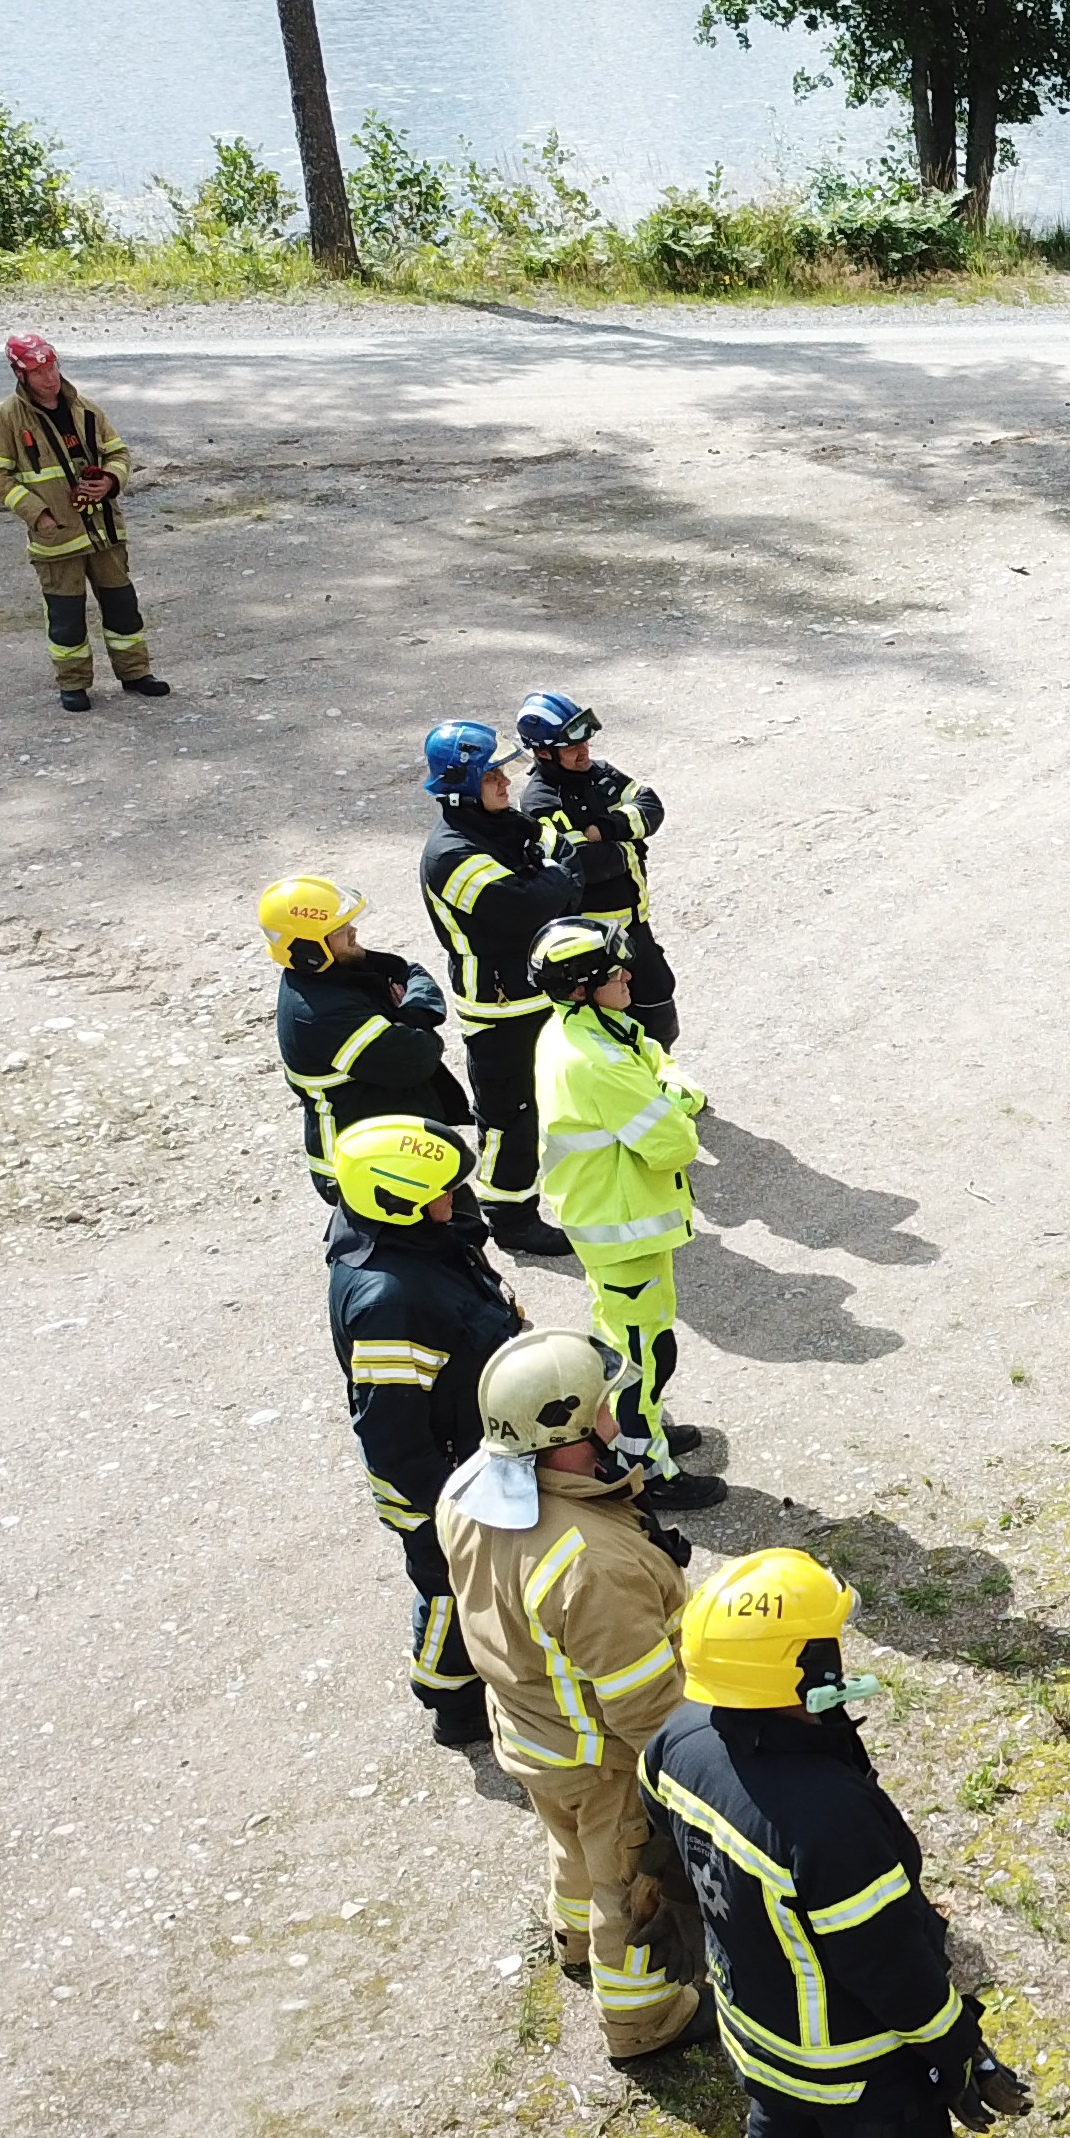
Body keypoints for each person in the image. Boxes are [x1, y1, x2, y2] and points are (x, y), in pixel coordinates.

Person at [646, 1548, 1039, 2138]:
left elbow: (664, 1854)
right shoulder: (827, 1819)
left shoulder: (677, 1740)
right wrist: (954, 2048)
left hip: (755, 2030)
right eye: (830, 1645)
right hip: (855, 2064)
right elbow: (891, 1967)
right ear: (804, 1669)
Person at [437, 1329, 708, 2061]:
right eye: (605, 1409)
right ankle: (642, 2022)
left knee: (572, 1849)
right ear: (568, 1431)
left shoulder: (467, 1491)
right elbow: (646, 1708)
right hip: (603, 1760)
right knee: (627, 1883)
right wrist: (690, 1800)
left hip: (529, 1734)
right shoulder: (590, 1565)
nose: (618, 1421)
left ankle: (573, 1941)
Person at [323, 1115, 527, 1749]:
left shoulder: (400, 1233)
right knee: (447, 1588)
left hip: (464, 1450)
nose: (455, 1200)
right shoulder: (390, 1303)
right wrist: (443, 1506)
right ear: (398, 1200)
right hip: (435, 1485)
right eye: (443, 1192)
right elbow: (391, 1430)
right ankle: (451, 1701)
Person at [532, 912, 723, 1511]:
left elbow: (655, 1059)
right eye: (616, 971)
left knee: (631, 1339)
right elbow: (674, 1142)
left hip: (619, 1221)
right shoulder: (597, 1060)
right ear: (584, 986)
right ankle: (646, 1467)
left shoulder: (594, 1028)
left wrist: (671, 1093)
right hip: (621, 1226)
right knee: (642, 1356)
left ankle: (644, 1430)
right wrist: (677, 1099)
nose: (630, 977)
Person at [418, 720, 585, 1259]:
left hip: (534, 990)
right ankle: (509, 1218)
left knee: (550, 1101)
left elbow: (564, 855)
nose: (506, 783)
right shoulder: (452, 854)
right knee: (510, 1115)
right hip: (499, 1006)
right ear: (462, 784)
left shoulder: (499, 826)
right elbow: (527, 906)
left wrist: (552, 875)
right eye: (492, 775)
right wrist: (555, 878)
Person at [0, 331, 168, 714]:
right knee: (66, 618)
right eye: (38, 371)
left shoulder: (87, 410)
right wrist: (38, 514)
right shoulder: (5, 420)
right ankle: (74, 684)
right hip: (57, 538)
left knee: (123, 608)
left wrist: (110, 481)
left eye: (52, 367)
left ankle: (135, 674)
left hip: (105, 533)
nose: (49, 377)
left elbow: (119, 453)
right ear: (20, 374)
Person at [262, 873, 475, 1211]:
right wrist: (411, 1018)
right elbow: (418, 1058)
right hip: (367, 1169)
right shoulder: (321, 1013)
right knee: (428, 1249)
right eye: (340, 929)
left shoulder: (337, 969)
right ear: (309, 949)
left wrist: (407, 1018)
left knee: (459, 1230)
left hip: (397, 1144)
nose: (353, 933)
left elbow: (410, 971)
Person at [515, 694, 680, 1047]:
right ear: (544, 752)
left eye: (585, 740)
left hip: (635, 924)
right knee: (613, 1025)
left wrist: (605, 829)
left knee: (658, 1003)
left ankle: (663, 1078)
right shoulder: (541, 801)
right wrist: (629, 844)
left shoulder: (601, 773)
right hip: (593, 939)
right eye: (571, 745)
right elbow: (584, 864)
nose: (584, 749)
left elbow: (651, 806)